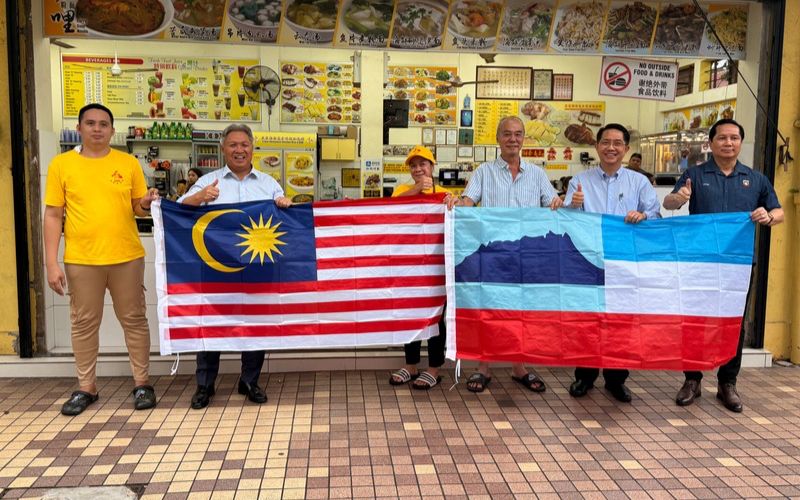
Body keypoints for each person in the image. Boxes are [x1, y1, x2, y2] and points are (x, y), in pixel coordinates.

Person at [44, 103, 159, 416]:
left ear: (112, 130)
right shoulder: (62, 165)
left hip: (127, 256)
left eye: (103, 124)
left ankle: (142, 383)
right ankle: (87, 387)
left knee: (134, 319)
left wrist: (146, 202)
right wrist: (51, 263)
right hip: (82, 259)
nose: (97, 129)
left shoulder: (128, 163)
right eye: (91, 123)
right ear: (79, 128)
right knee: (83, 323)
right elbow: (53, 215)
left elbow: (138, 208)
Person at [663, 118, 783, 412]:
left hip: (737, 266)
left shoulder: (756, 179)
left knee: (734, 323)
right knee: (695, 321)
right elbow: (668, 203)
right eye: (722, 138)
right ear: (711, 143)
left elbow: (778, 212)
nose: (728, 143)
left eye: (734, 138)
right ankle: (692, 379)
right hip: (700, 262)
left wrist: (768, 217)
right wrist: (679, 197)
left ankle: (728, 383)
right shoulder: (694, 174)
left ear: (740, 142)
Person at [446, 116, 563, 393]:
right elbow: (468, 202)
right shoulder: (484, 172)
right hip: (493, 253)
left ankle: (518, 367)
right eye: (507, 134)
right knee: (489, 309)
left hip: (526, 254)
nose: (513, 139)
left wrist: (563, 202)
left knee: (522, 311)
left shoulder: (537, 174)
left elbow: (553, 204)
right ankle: (483, 367)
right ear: (498, 138)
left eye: (518, 134)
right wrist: (455, 203)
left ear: (524, 138)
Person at [179, 124, 292, 410]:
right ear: (223, 149)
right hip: (215, 268)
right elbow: (178, 208)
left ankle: (249, 381)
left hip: (257, 268)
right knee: (210, 323)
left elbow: (284, 217)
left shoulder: (268, 183)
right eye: (233, 145)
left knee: (255, 324)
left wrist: (284, 203)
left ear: (252, 148)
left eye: (244, 144)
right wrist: (198, 198)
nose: (239, 150)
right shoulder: (209, 181)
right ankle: (205, 385)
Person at [565, 124, 662, 403]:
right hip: (588, 260)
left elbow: (655, 215)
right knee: (588, 320)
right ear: (597, 146)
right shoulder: (579, 181)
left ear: (626, 149)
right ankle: (584, 376)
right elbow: (567, 219)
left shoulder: (639, 182)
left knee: (621, 320)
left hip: (624, 262)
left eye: (617, 143)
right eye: (605, 142)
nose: (611, 147)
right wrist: (573, 204)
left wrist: (643, 216)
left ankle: (616, 379)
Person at [389, 146, 452, 389]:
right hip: (409, 265)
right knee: (411, 314)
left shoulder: (445, 193)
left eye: (422, 164)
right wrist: (416, 190)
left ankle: (434, 368)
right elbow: (391, 211)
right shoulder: (401, 191)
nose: (418, 169)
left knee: (436, 316)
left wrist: (454, 203)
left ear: (432, 166)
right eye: (413, 165)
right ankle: (411, 365)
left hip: (437, 265)